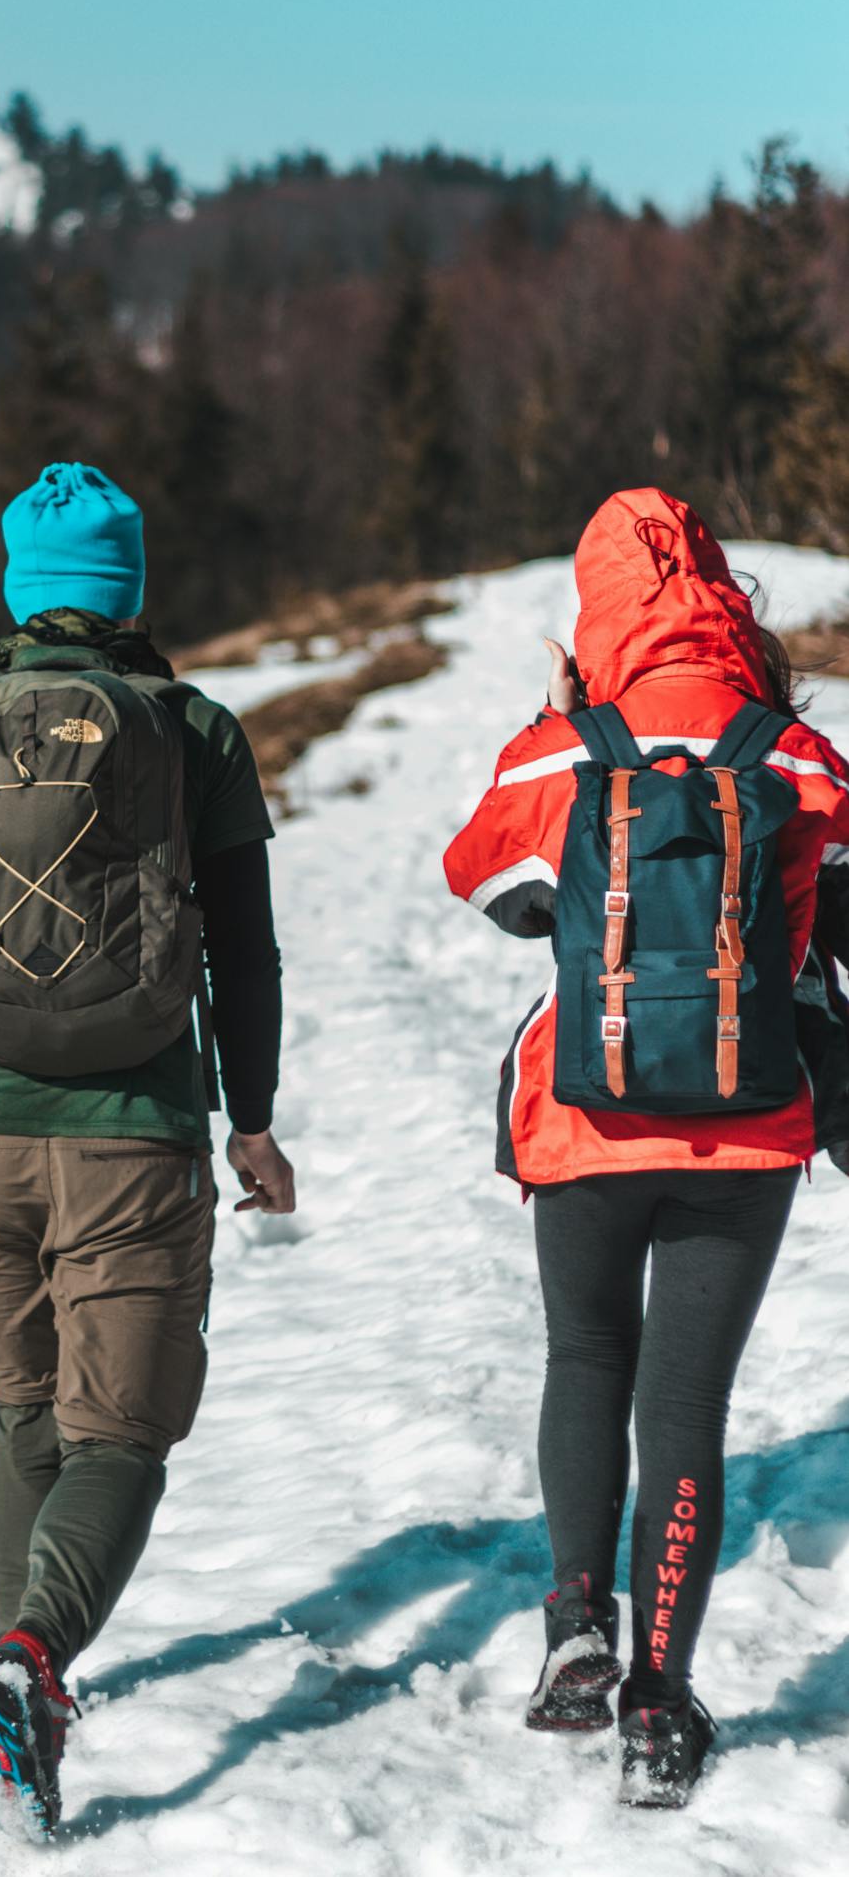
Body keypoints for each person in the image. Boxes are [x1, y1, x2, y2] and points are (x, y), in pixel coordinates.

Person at [0, 461, 291, 1839]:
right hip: (137, 1137)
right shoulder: (195, 730)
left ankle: (15, 1701)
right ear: (128, 589)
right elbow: (249, 953)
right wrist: (254, 1118)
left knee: (26, 1416)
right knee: (121, 1437)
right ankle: (29, 1673)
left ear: (21, 593)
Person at [445, 488, 849, 1809]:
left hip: (586, 1114)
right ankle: (662, 1701)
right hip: (747, 1123)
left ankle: (576, 1620)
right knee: (686, 1409)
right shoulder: (797, 751)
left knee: (584, 1354)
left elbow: (480, 878)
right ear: (726, 601)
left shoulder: (561, 749)